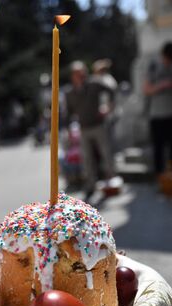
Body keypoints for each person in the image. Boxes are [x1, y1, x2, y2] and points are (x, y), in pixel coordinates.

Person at [65, 60, 116, 201]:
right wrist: (69, 128)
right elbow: (68, 113)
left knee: (106, 153)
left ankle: (110, 181)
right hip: (83, 128)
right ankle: (90, 185)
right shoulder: (70, 93)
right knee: (86, 158)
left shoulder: (94, 84)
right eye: (77, 74)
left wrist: (108, 107)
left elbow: (111, 90)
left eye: (82, 73)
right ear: (73, 76)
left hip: (98, 125)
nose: (81, 76)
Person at [143, 42, 172, 174]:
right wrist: (161, 86)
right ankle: (160, 178)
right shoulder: (153, 66)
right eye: (167, 58)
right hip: (157, 115)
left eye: (171, 59)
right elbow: (146, 89)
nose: (168, 61)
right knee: (158, 149)